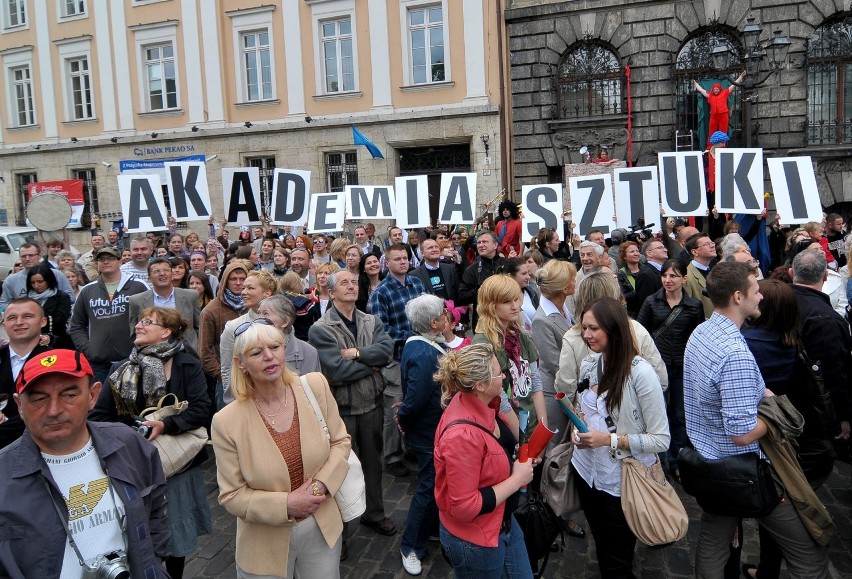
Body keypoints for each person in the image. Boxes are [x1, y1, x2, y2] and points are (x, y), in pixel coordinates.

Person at [683, 261, 830, 577]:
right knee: (809, 556)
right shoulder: (734, 353)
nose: (760, 297)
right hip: (745, 469)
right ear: (738, 296)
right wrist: (778, 416)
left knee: (713, 543)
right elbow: (742, 433)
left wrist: (762, 393)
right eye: (755, 290)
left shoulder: (701, 331)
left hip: (710, 461)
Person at [0, 348, 169, 577]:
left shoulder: (129, 444)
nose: (54, 410)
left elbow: (156, 511)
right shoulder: (4, 474)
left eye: (69, 395)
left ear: (93, 396)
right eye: (39, 399)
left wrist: (151, 565)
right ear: (19, 405)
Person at [212, 321, 350, 578]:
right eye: (256, 352)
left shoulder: (314, 386)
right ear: (240, 363)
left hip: (322, 527)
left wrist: (319, 485)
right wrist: (287, 504)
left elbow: (340, 442)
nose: (268, 356)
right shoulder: (226, 421)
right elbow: (232, 495)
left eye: (275, 347)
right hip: (264, 542)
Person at [90, 307, 212, 579]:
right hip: (134, 467)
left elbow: (203, 408)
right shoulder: (121, 369)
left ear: (166, 331)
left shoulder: (187, 364)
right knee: (140, 530)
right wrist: (131, 432)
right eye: (140, 322)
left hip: (176, 464)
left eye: (148, 322)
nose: (140, 326)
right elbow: (99, 416)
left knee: (177, 533)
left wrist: (165, 424)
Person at [741, 279, 837, 579]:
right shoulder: (790, 340)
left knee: (788, 515)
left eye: (757, 295)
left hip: (788, 447)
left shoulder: (751, 342)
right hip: (809, 443)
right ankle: (768, 569)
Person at [571, 296, 669, 578]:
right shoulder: (590, 363)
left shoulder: (641, 374)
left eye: (593, 329)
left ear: (613, 330)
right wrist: (579, 428)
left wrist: (609, 440)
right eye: (584, 328)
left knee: (618, 556)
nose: (587, 335)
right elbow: (584, 408)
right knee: (602, 544)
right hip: (586, 473)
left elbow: (661, 440)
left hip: (621, 481)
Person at [308, 270, 397, 551]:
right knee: (339, 471)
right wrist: (371, 365)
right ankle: (341, 533)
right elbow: (335, 370)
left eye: (353, 282)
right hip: (341, 411)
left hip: (371, 405)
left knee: (373, 463)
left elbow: (386, 352)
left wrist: (358, 354)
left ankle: (374, 514)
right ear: (331, 292)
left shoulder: (372, 320)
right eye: (343, 283)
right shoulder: (321, 328)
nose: (351, 286)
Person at [433, 343, 534, 579]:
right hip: (476, 540)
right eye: (499, 373)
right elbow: (464, 507)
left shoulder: (485, 402)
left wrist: (520, 461)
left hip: (502, 522)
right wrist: (518, 478)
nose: (505, 375)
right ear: (480, 385)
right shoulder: (461, 436)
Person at [555, 272, 668, 404]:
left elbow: (566, 386)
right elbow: (660, 378)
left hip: (590, 418)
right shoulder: (635, 329)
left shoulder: (572, 336)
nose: (588, 335)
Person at [636, 258, 704, 479]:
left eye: (673, 276)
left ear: (684, 278)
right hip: (656, 367)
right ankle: (656, 461)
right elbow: (641, 335)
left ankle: (676, 461)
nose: (668, 280)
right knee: (655, 414)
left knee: (679, 415)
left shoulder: (694, 305)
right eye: (665, 275)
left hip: (682, 368)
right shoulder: (651, 302)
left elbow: (697, 339)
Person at [395, 295, 448, 575]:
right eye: (443, 314)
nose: (446, 316)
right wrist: (403, 418)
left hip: (432, 430)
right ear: (434, 322)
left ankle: (431, 529)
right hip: (427, 432)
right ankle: (411, 546)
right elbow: (415, 400)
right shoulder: (425, 353)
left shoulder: (424, 344)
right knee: (428, 486)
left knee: (435, 483)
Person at [368, 243, 426, 478]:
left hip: (421, 354)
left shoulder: (417, 283)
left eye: (405, 258)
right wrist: (410, 337)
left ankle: (410, 447)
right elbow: (380, 329)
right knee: (394, 408)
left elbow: (428, 313)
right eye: (397, 259)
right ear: (387, 263)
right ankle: (391, 455)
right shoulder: (381, 292)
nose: (403, 262)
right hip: (396, 358)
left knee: (415, 403)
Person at [789, 249, 852, 442]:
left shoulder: (776, 300)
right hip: (815, 412)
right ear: (825, 276)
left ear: (792, 273)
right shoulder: (827, 320)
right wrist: (844, 415)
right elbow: (836, 372)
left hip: (786, 403)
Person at [473, 274, 547, 434]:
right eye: (506, 302)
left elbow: (535, 382)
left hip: (532, 421)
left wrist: (543, 430)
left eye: (516, 299)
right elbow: (501, 399)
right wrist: (523, 442)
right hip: (507, 428)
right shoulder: (482, 343)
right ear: (491, 305)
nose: (515, 306)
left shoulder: (520, 334)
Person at [69, 247, 149, 384]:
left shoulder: (138, 286)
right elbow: (76, 325)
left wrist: (143, 348)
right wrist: (89, 350)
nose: (105, 262)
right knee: (101, 403)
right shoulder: (88, 291)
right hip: (99, 364)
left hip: (133, 359)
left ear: (120, 261)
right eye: (101, 259)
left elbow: (151, 320)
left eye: (110, 258)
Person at [0, 298, 52, 448]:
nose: (19, 322)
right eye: (12, 318)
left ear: (43, 322)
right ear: (4, 324)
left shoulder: (56, 360)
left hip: (40, 445)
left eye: (27, 316)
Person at [221, 270, 277, 405]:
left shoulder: (280, 324)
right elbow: (228, 368)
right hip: (246, 398)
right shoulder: (233, 327)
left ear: (267, 293)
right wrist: (235, 401)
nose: (243, 292)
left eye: (250, 288)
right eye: (244, 288)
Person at [198, 261, 248, 411]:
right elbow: (205, 352)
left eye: (242, 278)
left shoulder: (254, 305)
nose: (238, 283)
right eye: (233, 279)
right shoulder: (211, 311)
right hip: (227, 380)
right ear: (225, 281)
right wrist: (223, 375)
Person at [129, 258, 201, 358]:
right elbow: (134, 332)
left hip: (186, 352)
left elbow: (199, 327)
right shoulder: (136, 301)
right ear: (149, 278)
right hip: (152, 355)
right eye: (156, 271)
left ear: (172, 275)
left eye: (166, 270)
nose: (162, 273)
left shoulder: (191, 296)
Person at [258, 294, 321, 376]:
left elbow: (314, 387)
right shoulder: (250, 349)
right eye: (258, 313)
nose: (258, 319)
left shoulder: (308, 352)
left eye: (266, 314)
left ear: (285, 322)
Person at [0, 242, 76, 308]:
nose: (27, 259)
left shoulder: (57, 275)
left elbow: (71, 298)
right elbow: (3, 304)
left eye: (31, 255)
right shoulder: (11, 280)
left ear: (39, 255)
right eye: (23, 256)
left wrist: (50, 305)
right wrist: (20, 309)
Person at [458, 231, 506, 330]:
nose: (481, 245)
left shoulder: (507, 264)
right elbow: (462, 296)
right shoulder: (472, 269)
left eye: (485, 242)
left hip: (506, 319)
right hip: (483, 322)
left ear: (495, 245)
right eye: (479, 242)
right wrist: (479, 289)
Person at [25, 262, 73, 348]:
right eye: (33, 282)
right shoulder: (26, 299)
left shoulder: (62, 297)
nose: (36, 285)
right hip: (30, 343)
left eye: (40, 282)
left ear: (48, 280)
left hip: (56, 343)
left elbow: (60, 322)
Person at [692, 72, 745, 142]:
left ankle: (722, 147)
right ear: (712, 90)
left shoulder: (725, 93)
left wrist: (741, 76)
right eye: (714, 89)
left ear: (720, 89)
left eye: (717, 89)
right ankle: (710, 148)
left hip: (723, 115)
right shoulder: (710, 95)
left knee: (723, 132)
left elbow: (733, 85)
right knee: (711, 132)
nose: (715, 90)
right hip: (713, 116)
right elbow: (701, 90)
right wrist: (695, 84)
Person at [617, 241, 662, 318]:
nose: (636, 254)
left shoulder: (648, 269)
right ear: (624, 256)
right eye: (632, 252)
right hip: (635, 314)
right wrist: (639, 291)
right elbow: (623, 297)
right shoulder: (621, 274)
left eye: (637, 251)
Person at [410, 237, 459, 302]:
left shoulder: (450, 269)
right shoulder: (415, 275)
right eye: (430, 248)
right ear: (422, 253)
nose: (434, 249)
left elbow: (457, 292)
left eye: (436, 247)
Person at [497, 257, 540, 331]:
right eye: (524, 274)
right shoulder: (500, 296)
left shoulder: (531, 292)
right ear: (510, 276)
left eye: (528, 273)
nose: (528, 277)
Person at [684, 233, 716, 318]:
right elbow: (687, 310)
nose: (712, 246)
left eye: (712, 243)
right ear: (694, 252)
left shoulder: (713, 270)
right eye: (706, 244)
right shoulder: (687, 277)